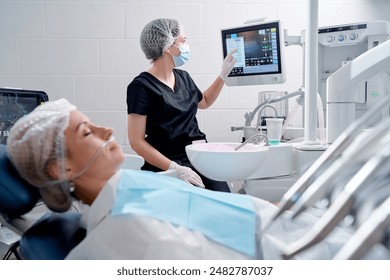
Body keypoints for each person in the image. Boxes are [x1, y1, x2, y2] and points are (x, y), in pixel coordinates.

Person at [6, 98, 362, 260]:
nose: (106, 129)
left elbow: (224, 212)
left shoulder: (129, 188)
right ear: (61, 170)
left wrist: (281, 209)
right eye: (87, 132)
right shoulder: (121, 236)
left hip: (295, 227)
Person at [127, 18, 236, 192]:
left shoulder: (183, 77)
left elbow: (205, 102)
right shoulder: (141, 87)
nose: (187, 46)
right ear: (168, 46)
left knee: (226, 199)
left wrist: (223, 75)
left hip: (199, 158)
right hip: (168, 163)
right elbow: (136, 142)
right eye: (183, 41)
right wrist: (174, 168)